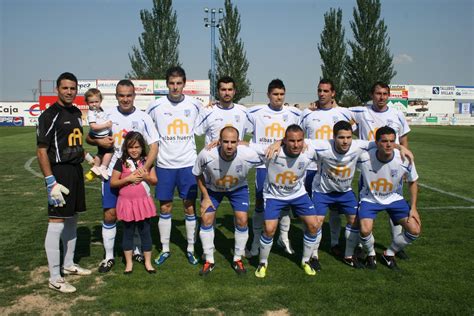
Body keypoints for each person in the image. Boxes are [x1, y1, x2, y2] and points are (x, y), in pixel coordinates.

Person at [87, 79, 159, 273]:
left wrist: (145, 169)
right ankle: (109, 257)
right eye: (121, 95)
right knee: (110, 214)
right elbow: (89, 136)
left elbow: (154, 145)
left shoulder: (144, 117)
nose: (125, 99)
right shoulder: (107, 114)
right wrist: (99, 143)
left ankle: (136, 250)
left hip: (136, 176)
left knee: (137, 214)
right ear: (116, 96)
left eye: (129, 95)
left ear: (134, 95)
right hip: (112, 173)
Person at [37, 72, 91, 293]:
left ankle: (68, 265)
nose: (69, 92)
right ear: (57, 89)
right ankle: (54, 277)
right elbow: (41, 151)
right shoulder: (49, 115)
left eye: (73, 88)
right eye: (65, 88)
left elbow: (75, 144)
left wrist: (89, 159)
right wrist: (51, 181)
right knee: (56, 222)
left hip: (76, 171)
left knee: (72, 218)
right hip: (59, 172)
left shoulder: (77, 112)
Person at [146, 66, 203, 266]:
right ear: (167, 84)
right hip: (164, 165)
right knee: (165, 206)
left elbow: (206, 126)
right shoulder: (155, 107)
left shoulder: (195, 105)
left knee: (189, 206)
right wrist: (150, 164)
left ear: (184, 84)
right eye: (172, 83)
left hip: (188, 164)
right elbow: (147, 136)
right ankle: (165, 249)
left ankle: (190, 248)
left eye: (179, 83)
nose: (175, 87)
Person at [350, 82, 411, 259]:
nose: (381, 97)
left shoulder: (397, 114)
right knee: (366, 206)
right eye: (378, 93)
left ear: (389, 95)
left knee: (395, 205)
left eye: (385, 93)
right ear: (372, 94)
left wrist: (405, 163)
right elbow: (348, 129)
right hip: (369, 168)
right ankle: (364, 245)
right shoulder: (363, 112)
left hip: (393, 166)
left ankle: (397, 245)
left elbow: (404, 139)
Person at [193, 126, 263, 276]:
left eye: (233, 142)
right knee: (206, 218)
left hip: (238, 189)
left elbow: (271, 152)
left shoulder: (248, 154)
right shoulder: (206, 154)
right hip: (213, 190)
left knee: (242, 219)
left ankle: (237, 258)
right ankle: (209, 260)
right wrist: (205, 197)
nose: (229, 146)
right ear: (219, 142)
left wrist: (276, 143)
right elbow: (197, 174)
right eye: (225, 142)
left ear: (238, 142)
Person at [253, 125, 319, 278]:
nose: (296, 145)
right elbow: (245, 144)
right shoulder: (272, 151)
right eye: (291, 141)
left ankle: (305, 261)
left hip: (298, 194)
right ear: (284, 141)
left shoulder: (309, 150)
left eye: (299, 140)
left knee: (313, 225)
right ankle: (263, 262)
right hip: (274, 196)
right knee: (269, 229)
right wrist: (219, 142)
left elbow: (332, 143)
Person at [245, 79, 301, 258]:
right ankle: (255, 243)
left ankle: (283, 238)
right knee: (260, 203)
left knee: (286, 202)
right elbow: (240, 129)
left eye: (282, 94)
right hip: (263, 165)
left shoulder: (294, 113)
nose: (279, 97)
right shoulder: (255, 112)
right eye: (275, 94)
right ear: (268, 95)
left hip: (286, 165)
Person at [300, 79, 353, 265]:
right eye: (319, 91)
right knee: (314, 214)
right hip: (311, 169)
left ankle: (335, 243)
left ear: (333, 93)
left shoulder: (343, 113)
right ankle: (312, 250)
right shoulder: (307, 114)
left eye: (326, 91)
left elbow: (359, 128)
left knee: (336, 212)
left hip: (335, 169)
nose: (322, 94)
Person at [357, 126, 421, 270]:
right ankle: (371, 254)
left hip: (394, 198)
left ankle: (389, 254)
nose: (388, 145)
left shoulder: (404, 158)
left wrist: (414, 208)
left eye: (392, 141)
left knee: (414, 230)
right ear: (376, 142)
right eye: (384, 141)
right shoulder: (364, 157)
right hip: (369, 199)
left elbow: (413, 181)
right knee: (365, 230)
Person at [110, 132, 157, 274]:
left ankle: (148, 262)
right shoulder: (121, 162)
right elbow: (113, 182)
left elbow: (154, 181)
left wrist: (146, 176)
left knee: (146, 233)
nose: (134, 150)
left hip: (143, 202)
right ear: (126, 148)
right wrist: (128, 179)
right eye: (131, 147)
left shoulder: (147, 162)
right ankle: (129, 263)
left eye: (137, 147)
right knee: (128, 233)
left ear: (142, 147)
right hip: (127, 203)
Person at [195, 76, 248, 145]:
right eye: (223, 89)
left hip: (237, 155)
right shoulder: (208, 111)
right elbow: (195, 132)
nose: (227, 93)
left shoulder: (244, 112)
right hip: (214, 155)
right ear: (218, 91)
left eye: (230, 89)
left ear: (234, 91)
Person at [85, 88, 113, 180]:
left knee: (100, 152)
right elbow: (93, 126)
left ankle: (96, 167)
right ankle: (103, 167)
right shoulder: (91, 113)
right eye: (91, 102)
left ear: (100, 101)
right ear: (87, 102)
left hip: (102, 134)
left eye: (96, 101)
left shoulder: (100, 110)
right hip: (101, 136)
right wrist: (106, 125)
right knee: (109, 152)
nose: (94, 104)